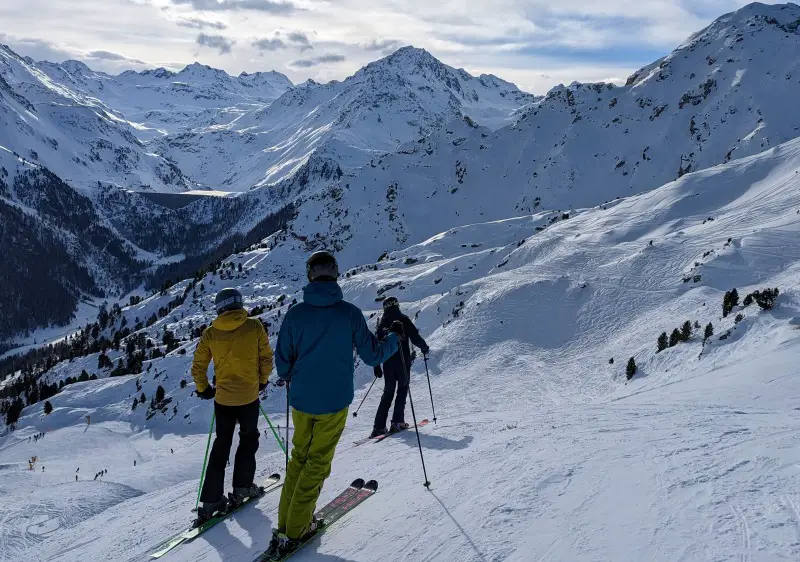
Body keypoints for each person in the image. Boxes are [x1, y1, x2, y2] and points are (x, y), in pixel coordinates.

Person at [267, 251, 399, 558]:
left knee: (299, 458)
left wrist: (290, 375)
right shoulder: (349, 313)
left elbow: (283, 359)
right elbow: (372, 356)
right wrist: (393, 339)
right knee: (317, 463)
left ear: (310, 275)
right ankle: (297, 529)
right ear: (335, 274)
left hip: (301, 400)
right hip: (334, 401)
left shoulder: (296, 314)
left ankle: (285, 525)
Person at [191, 287, 274, 522]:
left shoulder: (211, 333)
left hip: (223, 399)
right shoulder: (254, 326)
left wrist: (204, 389)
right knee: (249, 439)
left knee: (221, 444)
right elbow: (266, 358)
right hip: (248, 396)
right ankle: (242, 487)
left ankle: (211, 499)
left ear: (220, 308)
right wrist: (262, 381)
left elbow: (198, 366)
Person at [371, 296, 430, 438]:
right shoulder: (403, 320)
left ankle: (378, 427)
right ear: (397, 305)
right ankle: (397, 422)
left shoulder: (382, 325)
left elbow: (376, 347)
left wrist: (376, 366)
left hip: (387, 364)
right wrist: (424, 347)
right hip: (402, 362)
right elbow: (415, 337)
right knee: (403, 388)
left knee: (388, 393)